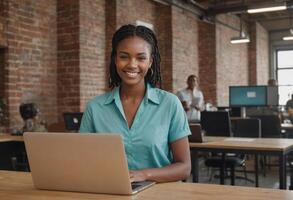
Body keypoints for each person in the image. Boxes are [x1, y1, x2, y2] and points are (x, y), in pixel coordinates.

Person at [79, 24, 191, 183]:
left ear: (151, 61)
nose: (132, 64)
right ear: (115, 59)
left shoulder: (170, 104)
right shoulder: (95, 108)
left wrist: (145, 174)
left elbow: (184, 167)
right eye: (124, 56)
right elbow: (83, 161)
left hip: (162, 194)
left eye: (141, 58)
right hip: (111, 192)